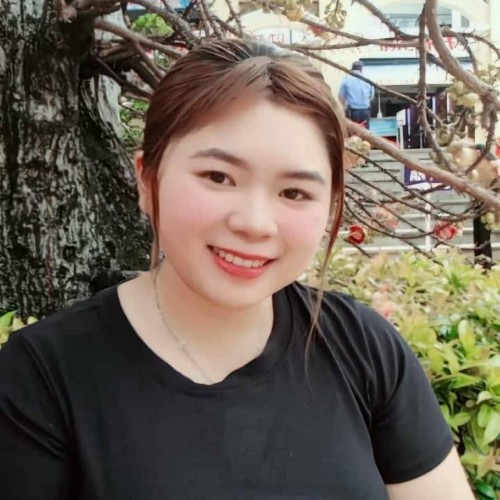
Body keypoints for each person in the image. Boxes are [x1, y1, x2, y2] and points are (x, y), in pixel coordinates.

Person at [0, 39, 473, 499]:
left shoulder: (364, 349)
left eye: (294, 192)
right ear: (147, 179)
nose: (254, 223)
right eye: (218, 177)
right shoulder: (40, 378)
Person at [338, 60, 375, 128]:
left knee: (353, 131)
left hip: (352, 112)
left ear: (352, 68)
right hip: (365, 111)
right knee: (365, 132)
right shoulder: (368, 80)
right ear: (361, 69)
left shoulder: (346, 79)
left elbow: (341, 97)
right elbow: (371, 97)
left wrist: (343, 109)